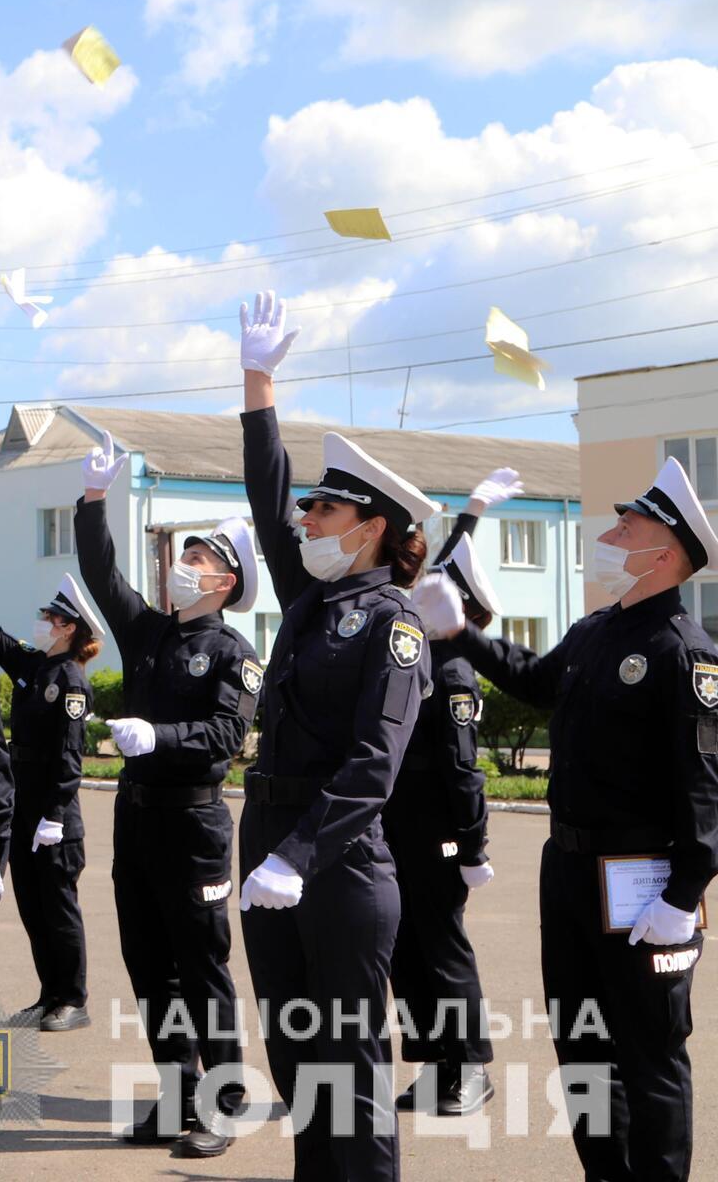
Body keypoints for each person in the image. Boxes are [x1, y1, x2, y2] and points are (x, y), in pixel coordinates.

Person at [418, 453, 718, 1180]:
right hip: (571, 868)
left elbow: (707, 791)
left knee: (648, 1049)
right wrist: (462, 636)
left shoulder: (685, 653)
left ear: (666, 550)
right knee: (582, 1046)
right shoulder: (594, 631)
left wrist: (684, 896)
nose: (613, 536)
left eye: (631, 526)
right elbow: (536, 681)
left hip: (642, 872)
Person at [235, 290, 436, 1182]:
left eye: (325, 510)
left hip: (338, 864)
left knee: (351, 1077)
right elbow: (266, 490)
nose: (307, 520)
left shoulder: (392, 622)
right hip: (270, 842)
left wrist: (300, 854)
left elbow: (373, 762)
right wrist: (258, 386)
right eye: (311, 507)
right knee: (299, 1066)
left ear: (371, 527)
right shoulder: (317, 598)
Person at [72, 447, 260, 1157]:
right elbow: (100, 575)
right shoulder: (149, 631)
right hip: (138, 818)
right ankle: (178, 1091)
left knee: (201, 965)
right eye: (183, 553)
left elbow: (225, 734)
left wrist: (158, 734)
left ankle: (226, 1098)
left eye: (199, 557)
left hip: (195, 821)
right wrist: (93, 499)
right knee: (149, 964)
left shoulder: (234, 651)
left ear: (227, 579)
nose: (182, 563)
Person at [386, 470, 519, 1118]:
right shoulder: (415, 650)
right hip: (395, 827)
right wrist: (467, 513)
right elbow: (438, 565)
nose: (425, 595)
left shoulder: (454, 667)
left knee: (441, 948)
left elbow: (463, 770)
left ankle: (470, 1068)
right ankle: (436, 1065)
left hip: (436, 830)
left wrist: (472, 843)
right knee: (406, 950)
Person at [0, 576, 102, 1037]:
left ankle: (73, 998)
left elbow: (69, 757)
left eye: (52, 618)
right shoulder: (35, 668)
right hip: (24, 811)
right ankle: (49, 995)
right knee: (33, 908)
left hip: (54, 819)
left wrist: (55, 813)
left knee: (58, 909)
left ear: (70, 629)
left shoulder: (70, 680)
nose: (43, 623)